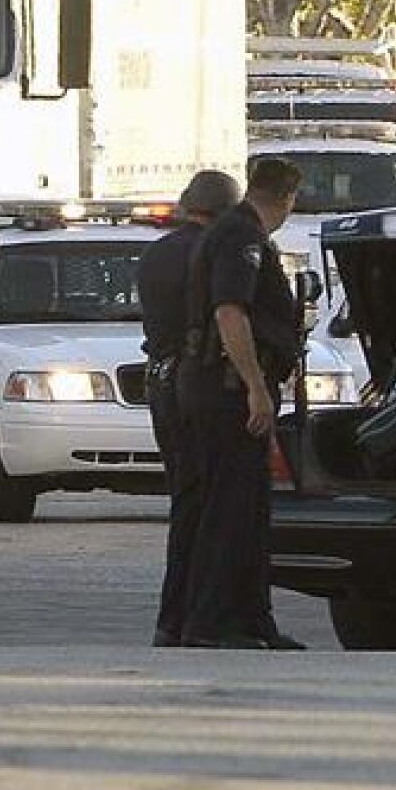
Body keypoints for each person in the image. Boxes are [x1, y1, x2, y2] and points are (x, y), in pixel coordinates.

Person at [181, 158, 307, 651]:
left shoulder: (237, 231)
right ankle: (211, 623)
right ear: (288, 198)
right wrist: (255, 385)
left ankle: (253, 620)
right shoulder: (241, 237)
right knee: (229, 510)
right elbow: (230, 311)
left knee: (249, 511)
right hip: (228, 390)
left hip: (225, 386)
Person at [138, 170, 242, 648]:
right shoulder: (217, 251)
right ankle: (201, 614)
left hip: (160, 381)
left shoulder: (158, 251)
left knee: (186, 502)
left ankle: (171, 618)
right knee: (212, 507)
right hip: (199, 384)